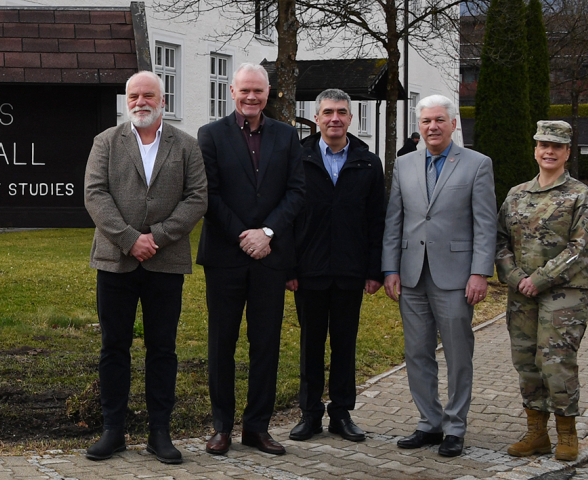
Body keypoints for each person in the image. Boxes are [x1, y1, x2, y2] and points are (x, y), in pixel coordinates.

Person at [82, 71, 207, 464]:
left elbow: (197, 197)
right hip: (115, 261)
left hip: (165, 262)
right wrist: (129, 238)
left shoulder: (186, 145)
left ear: (163, 100)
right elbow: (94, 194)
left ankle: (159, 433)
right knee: (114, 347)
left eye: (148, 95)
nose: (140, 101)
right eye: (133, 95)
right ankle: (113, 431)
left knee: (163, 349)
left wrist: (158, 236)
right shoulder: (106, 141)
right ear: (127, 100)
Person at [197, 63, 305, 456]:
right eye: (245, 90)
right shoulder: (210, 135)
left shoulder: (287, 136)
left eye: (258, 91)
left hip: (270, 257)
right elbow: (208, 195)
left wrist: (268, 233)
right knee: (221, 343)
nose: (251, 97)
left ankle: (257, 428)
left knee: (266, 344)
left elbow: (296, 191)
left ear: (268, 93)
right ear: (232, 91)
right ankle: (221, 427)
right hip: (226, 256)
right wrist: (245, 235)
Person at [382, 94, 495, 457]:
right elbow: (394, 220)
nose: (432, 127)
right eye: (426, 121)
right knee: (416, 352)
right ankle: (428, 423)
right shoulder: (404, 164)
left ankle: (455, 427)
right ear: (419, 126)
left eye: (439, 121)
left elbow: (485, 223)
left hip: (457, 277)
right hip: (412, 275)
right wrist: (390, 268)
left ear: (453, 124)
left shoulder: (477, 164)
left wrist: (480, 272)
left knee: (459, 354)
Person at [495, 120, 588, 462]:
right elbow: (500, 241)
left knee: (556, 363)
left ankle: (567, 435)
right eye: (544, 145)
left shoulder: (581, 196)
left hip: (563, 293)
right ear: (536, 150)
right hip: (521, 293)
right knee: (526, 361)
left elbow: (581, 248)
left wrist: (538, 279)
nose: (549, 151)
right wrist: (513, 276)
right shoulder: (516, 194)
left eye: (557, 146)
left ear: (567, 152)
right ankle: (537, 433)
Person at [285, 89, 384, 444]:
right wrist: (289, 268)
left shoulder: (368, 162)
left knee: (345, 343)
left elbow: (376, 221)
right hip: (308, 270)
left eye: (341, 112)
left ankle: (341, 413)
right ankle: (310, 414)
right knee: (311, 342)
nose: (335, 118)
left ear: (351, 118)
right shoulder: (298, 157)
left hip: (350, 270)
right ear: (317, 117)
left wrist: (374, 270)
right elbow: (289, 217)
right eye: (328, 112)